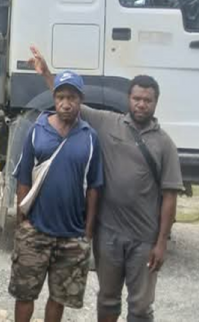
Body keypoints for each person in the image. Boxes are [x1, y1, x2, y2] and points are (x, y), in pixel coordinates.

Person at [30, 48, 184, 322]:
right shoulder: (109, 123)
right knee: (107, 300)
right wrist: (46, 74)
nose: (141, 104)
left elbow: (170, 197)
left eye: (147, 100)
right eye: (136, 99)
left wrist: (161, 242)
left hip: (144, 239)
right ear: (128, 100)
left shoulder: (165, 144)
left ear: (155, 103)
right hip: (109, 235)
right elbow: (70, 102)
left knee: (140, 307)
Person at [8, 71, 103, 322]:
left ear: (81, 100)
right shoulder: (37, 131)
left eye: (72, 98)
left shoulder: (90, 138)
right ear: (54, 99)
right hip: (35, 230)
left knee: (58, 298)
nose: (66, 103)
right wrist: (22, 221)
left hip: (72, 235)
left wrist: (87, 232)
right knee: (24, 295)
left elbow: (94, 187)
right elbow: (23, 178)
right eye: (61, 97)